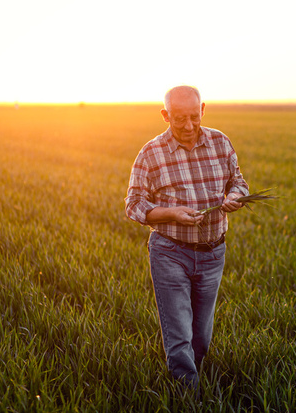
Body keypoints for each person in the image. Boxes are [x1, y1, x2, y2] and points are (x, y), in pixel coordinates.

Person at [125, 85, 249, 389]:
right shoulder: (151, 153)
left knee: (201, 334)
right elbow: (134, 206)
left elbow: (239, 183)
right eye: (179, 118)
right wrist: (172, 213)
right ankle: (187, 395)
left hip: (212, 253)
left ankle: (199, 378)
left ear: (203, 110)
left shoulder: (220, 143)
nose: (189, 125)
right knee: (179, 332)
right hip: (170, 252)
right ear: (166, 115)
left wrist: (235, 197)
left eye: (194, 116)